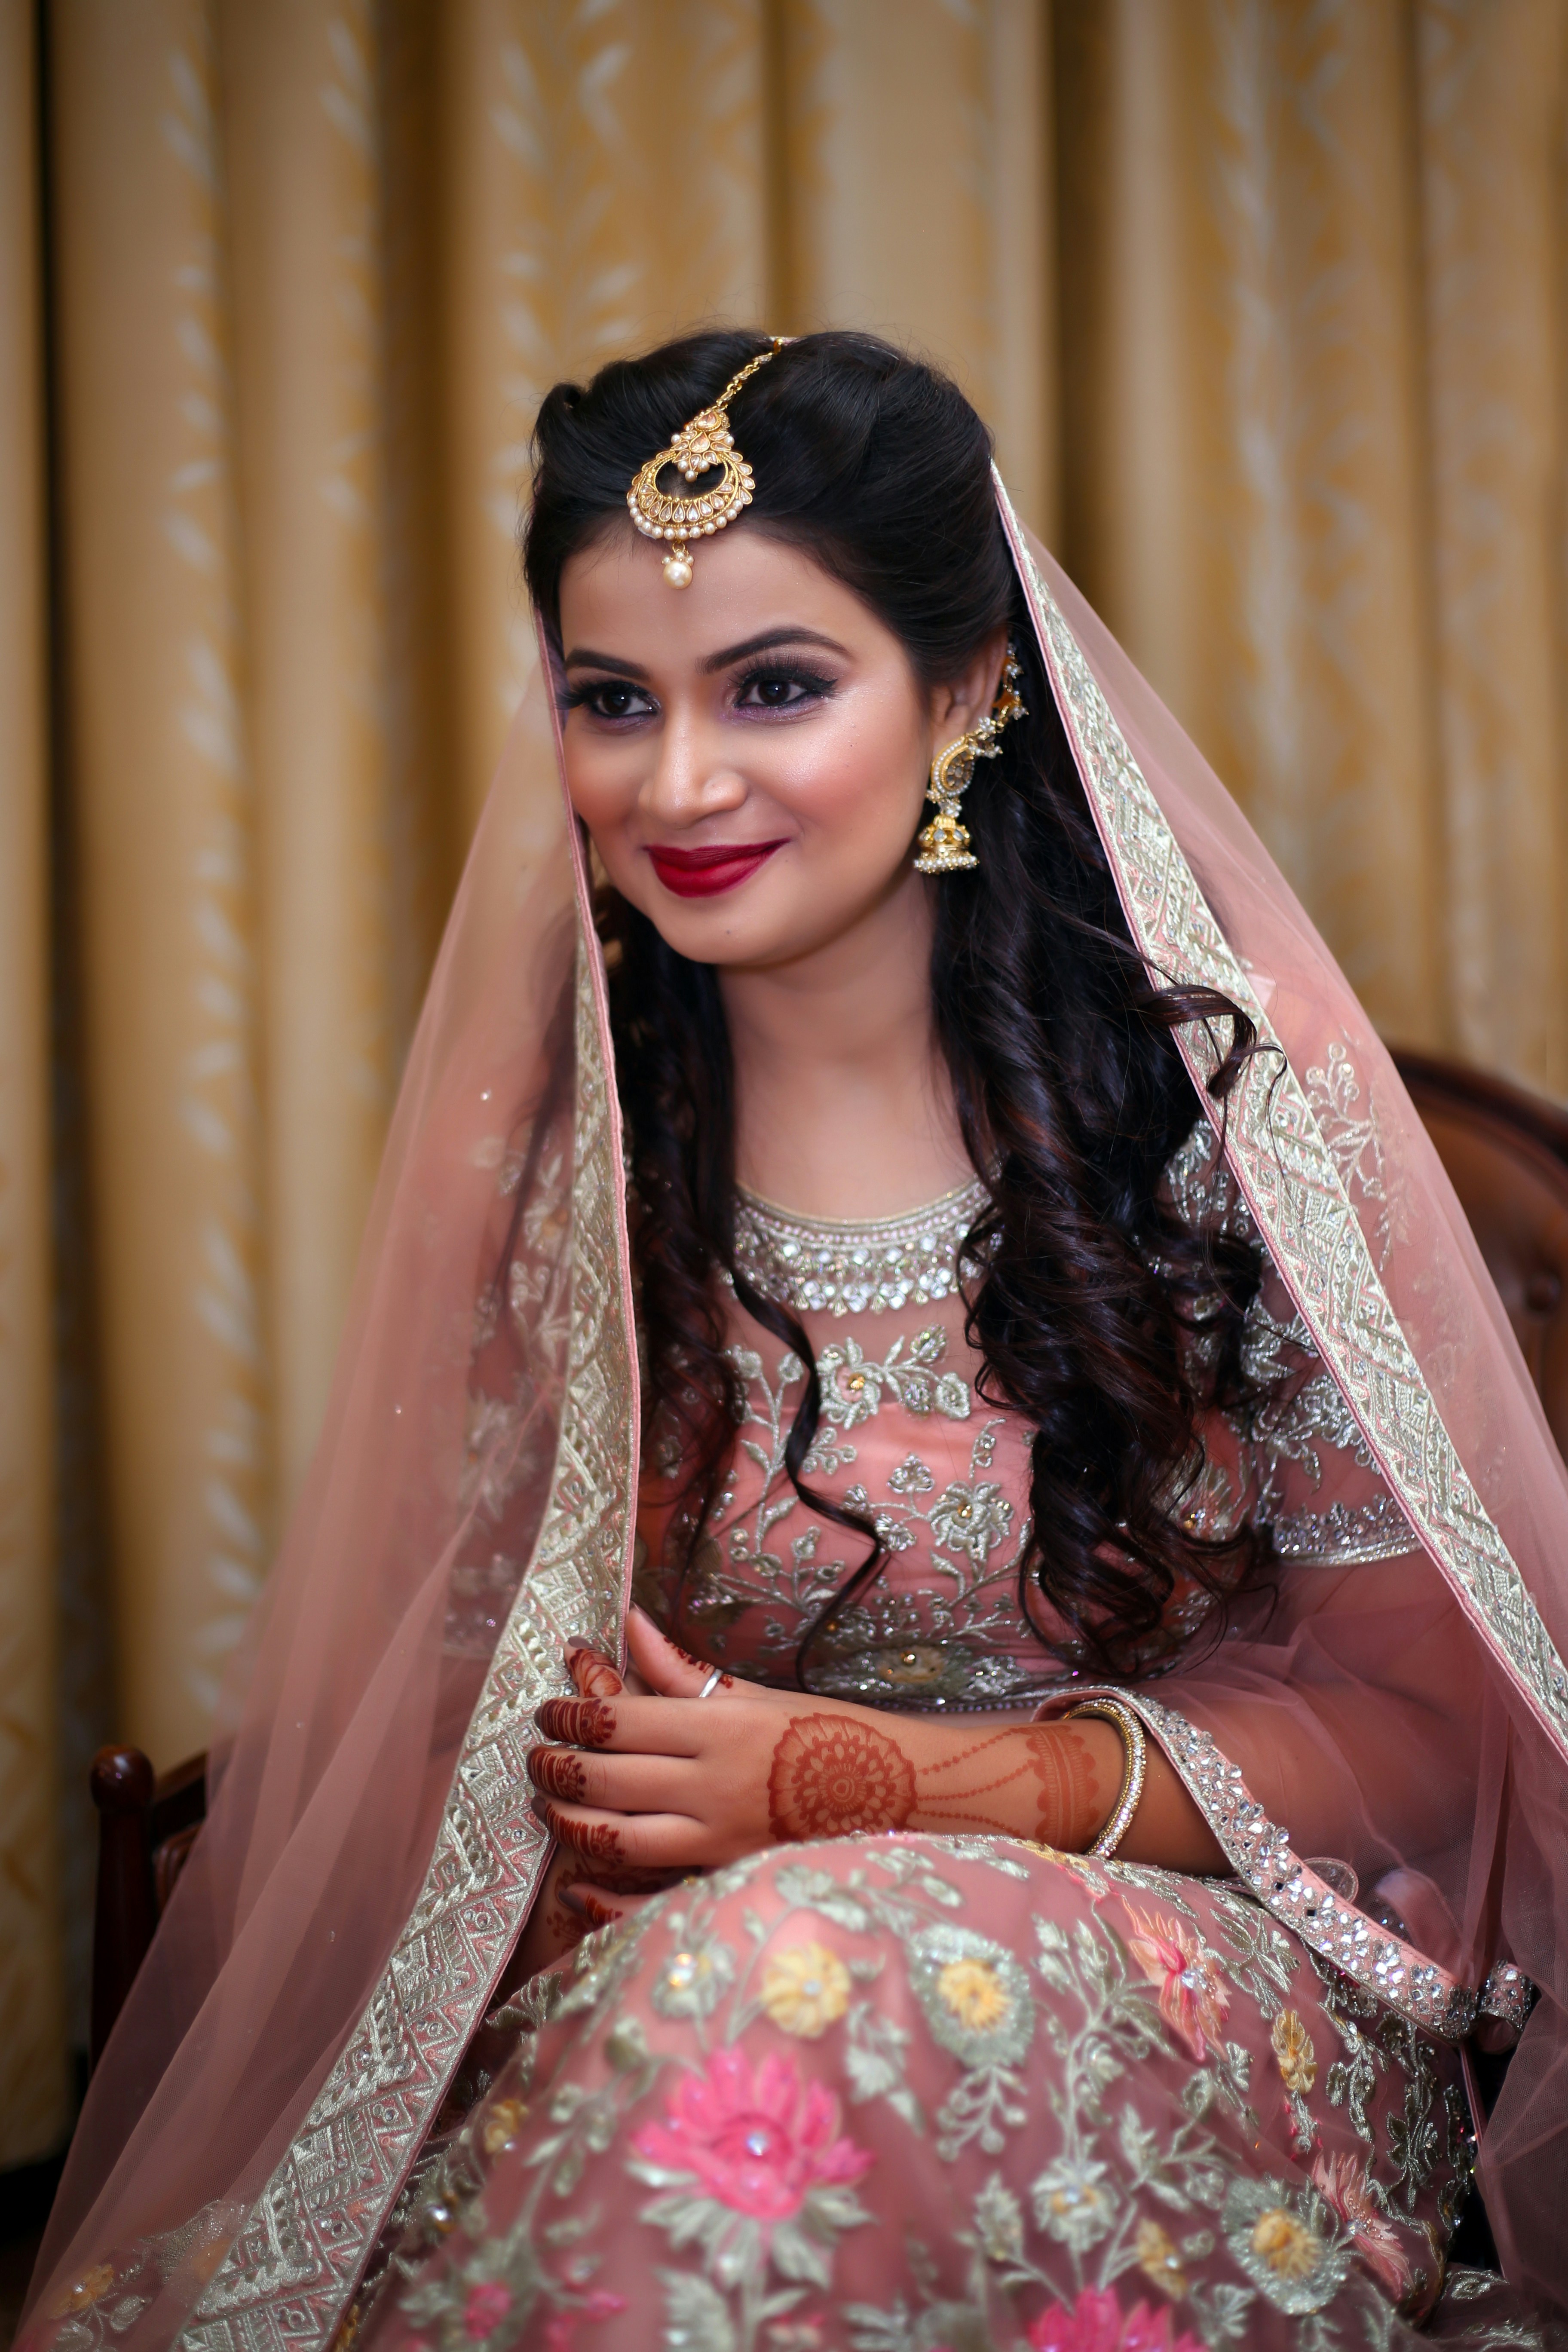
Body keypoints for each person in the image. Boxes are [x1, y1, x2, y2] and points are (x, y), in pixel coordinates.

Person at [22, 333, 1568, 2352]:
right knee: (719, 2020)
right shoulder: (558, 1147)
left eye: (772, 687)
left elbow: (1427, 1735)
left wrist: (873, 1789)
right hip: (664, 1972)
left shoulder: (1232, 1115)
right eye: (611, 700)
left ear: (968, 690)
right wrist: (606, 1840)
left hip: (1191, 1979)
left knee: (768, 1994)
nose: (676, 784)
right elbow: (476, 1686)